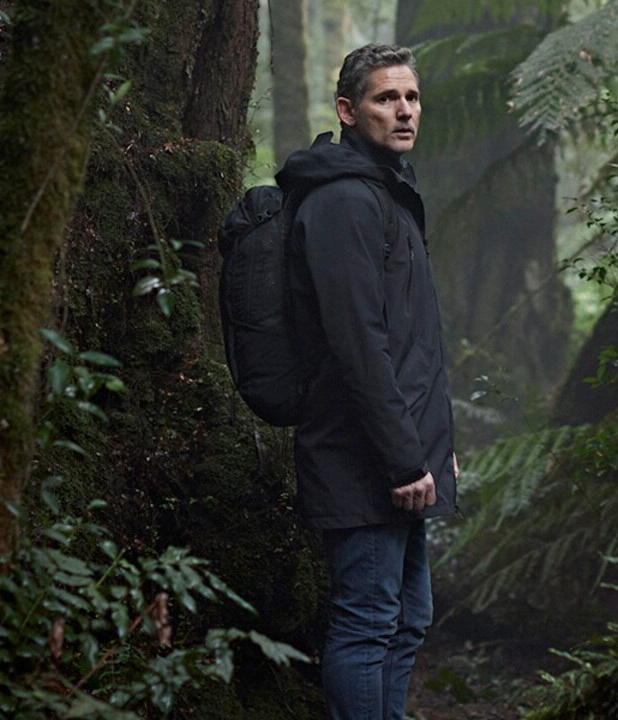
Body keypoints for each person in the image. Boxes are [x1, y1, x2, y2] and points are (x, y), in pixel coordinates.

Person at [275, 43, 457, 720]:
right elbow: (358, 345)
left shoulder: (389, 193)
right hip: (360, 454)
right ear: (349, 111)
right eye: (386, 98)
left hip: (399, 450)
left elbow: (412, 343)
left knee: (408, 618)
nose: (404, 110)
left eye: (411, 97)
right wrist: (404, 457)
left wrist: (435, 445)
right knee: (368, 622)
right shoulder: (344, 202)